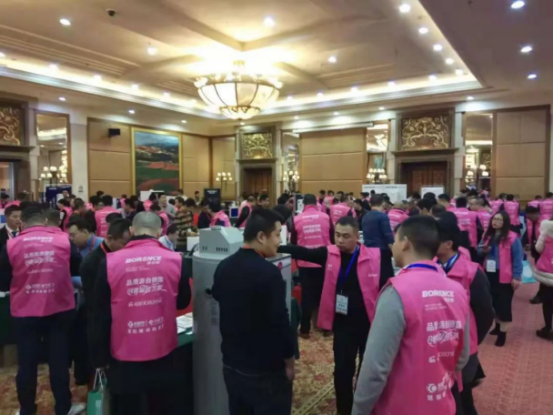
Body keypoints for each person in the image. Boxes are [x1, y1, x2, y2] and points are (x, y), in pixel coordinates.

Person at [352, 216, 470, 415]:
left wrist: (359, 410)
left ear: (405, 243)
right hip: (441, 403)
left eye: (395, 240)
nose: (393, 246)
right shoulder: (457, 290)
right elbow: (462, 355)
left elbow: (376, 369)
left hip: (399, 405)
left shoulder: (396, 291)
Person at [90, 212, 191, 415]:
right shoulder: (176, 260)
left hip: (124, 351)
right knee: (162, 405)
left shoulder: (110, 262)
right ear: (160, 231)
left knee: (129, 407)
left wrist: (99, 357)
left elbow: (99, 314)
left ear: (131, 230)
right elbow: (182, 301)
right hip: (163, 347)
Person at [280, 216, 383, 415]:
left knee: (367, 371)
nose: (340, 240)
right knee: (342, 371)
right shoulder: (329, 254)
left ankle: (363, 408)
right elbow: (304, 252)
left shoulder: (374, 256)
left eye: (346, 236)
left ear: (357, 237)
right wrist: (275, 247)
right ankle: (344, 409)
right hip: (343, 325)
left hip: (370, 324)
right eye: (337, 235)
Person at [0, 206, 85, 415]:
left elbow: (3, 282)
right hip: (59, 308)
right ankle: (63, 408)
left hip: (25, 311)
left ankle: (27, 409)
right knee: (59, 361)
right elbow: (76, 268)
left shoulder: (11, 245)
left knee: (26, 363)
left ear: (23, 223)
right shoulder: (64, 241)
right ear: (45, 221)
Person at [212, 209, 295, 415]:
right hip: (264, 370)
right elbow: (280, 323)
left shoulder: (224, 266)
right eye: (277, 234)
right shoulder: (269, 274)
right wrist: (289, 361)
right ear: (261, 237)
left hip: (232, 365)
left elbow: (218, 296)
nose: (280, 240)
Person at [436, 215, 494, 415]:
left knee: (463, 394)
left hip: (464, 347)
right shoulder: (431, 268)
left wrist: (472, 339)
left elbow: (485, 313)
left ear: (448, 244)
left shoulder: (472, 273)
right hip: (436, 342)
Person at [286, 194, 333, 338]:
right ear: (316, 203)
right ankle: (326, 328)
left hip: (305, 262)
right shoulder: (326, 217)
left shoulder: (297, 219)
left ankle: (305, 330)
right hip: (324, 260)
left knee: (306, 296)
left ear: (303, 204)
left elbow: (294, 241)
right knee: (325, 294)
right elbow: (332, 238)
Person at [478, 211, 523, 347]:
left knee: (503, 305)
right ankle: (497, 327)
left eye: (499, 219)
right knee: (492, 302)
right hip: (489, 274)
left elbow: (518, 258)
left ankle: (502, 333)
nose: (495, 222)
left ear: (505, 222)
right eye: (494, 219)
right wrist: (483, 251)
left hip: (505, 276)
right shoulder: (487, 235)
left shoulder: (512, 238)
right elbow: (478, 251)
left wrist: (516, 277)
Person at [362, 195, 395, 286]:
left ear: (370, 204)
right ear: (383, 204)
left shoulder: (365, 216)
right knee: (386, 280)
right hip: (382, 252)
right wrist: (394, 252)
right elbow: (388, 236)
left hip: (368, 251)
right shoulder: (383, 216)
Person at [534, 219, 553, 339]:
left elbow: (538, 248)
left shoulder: (546, 227)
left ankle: (547, 329)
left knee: (547, 302)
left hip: (548, 269)